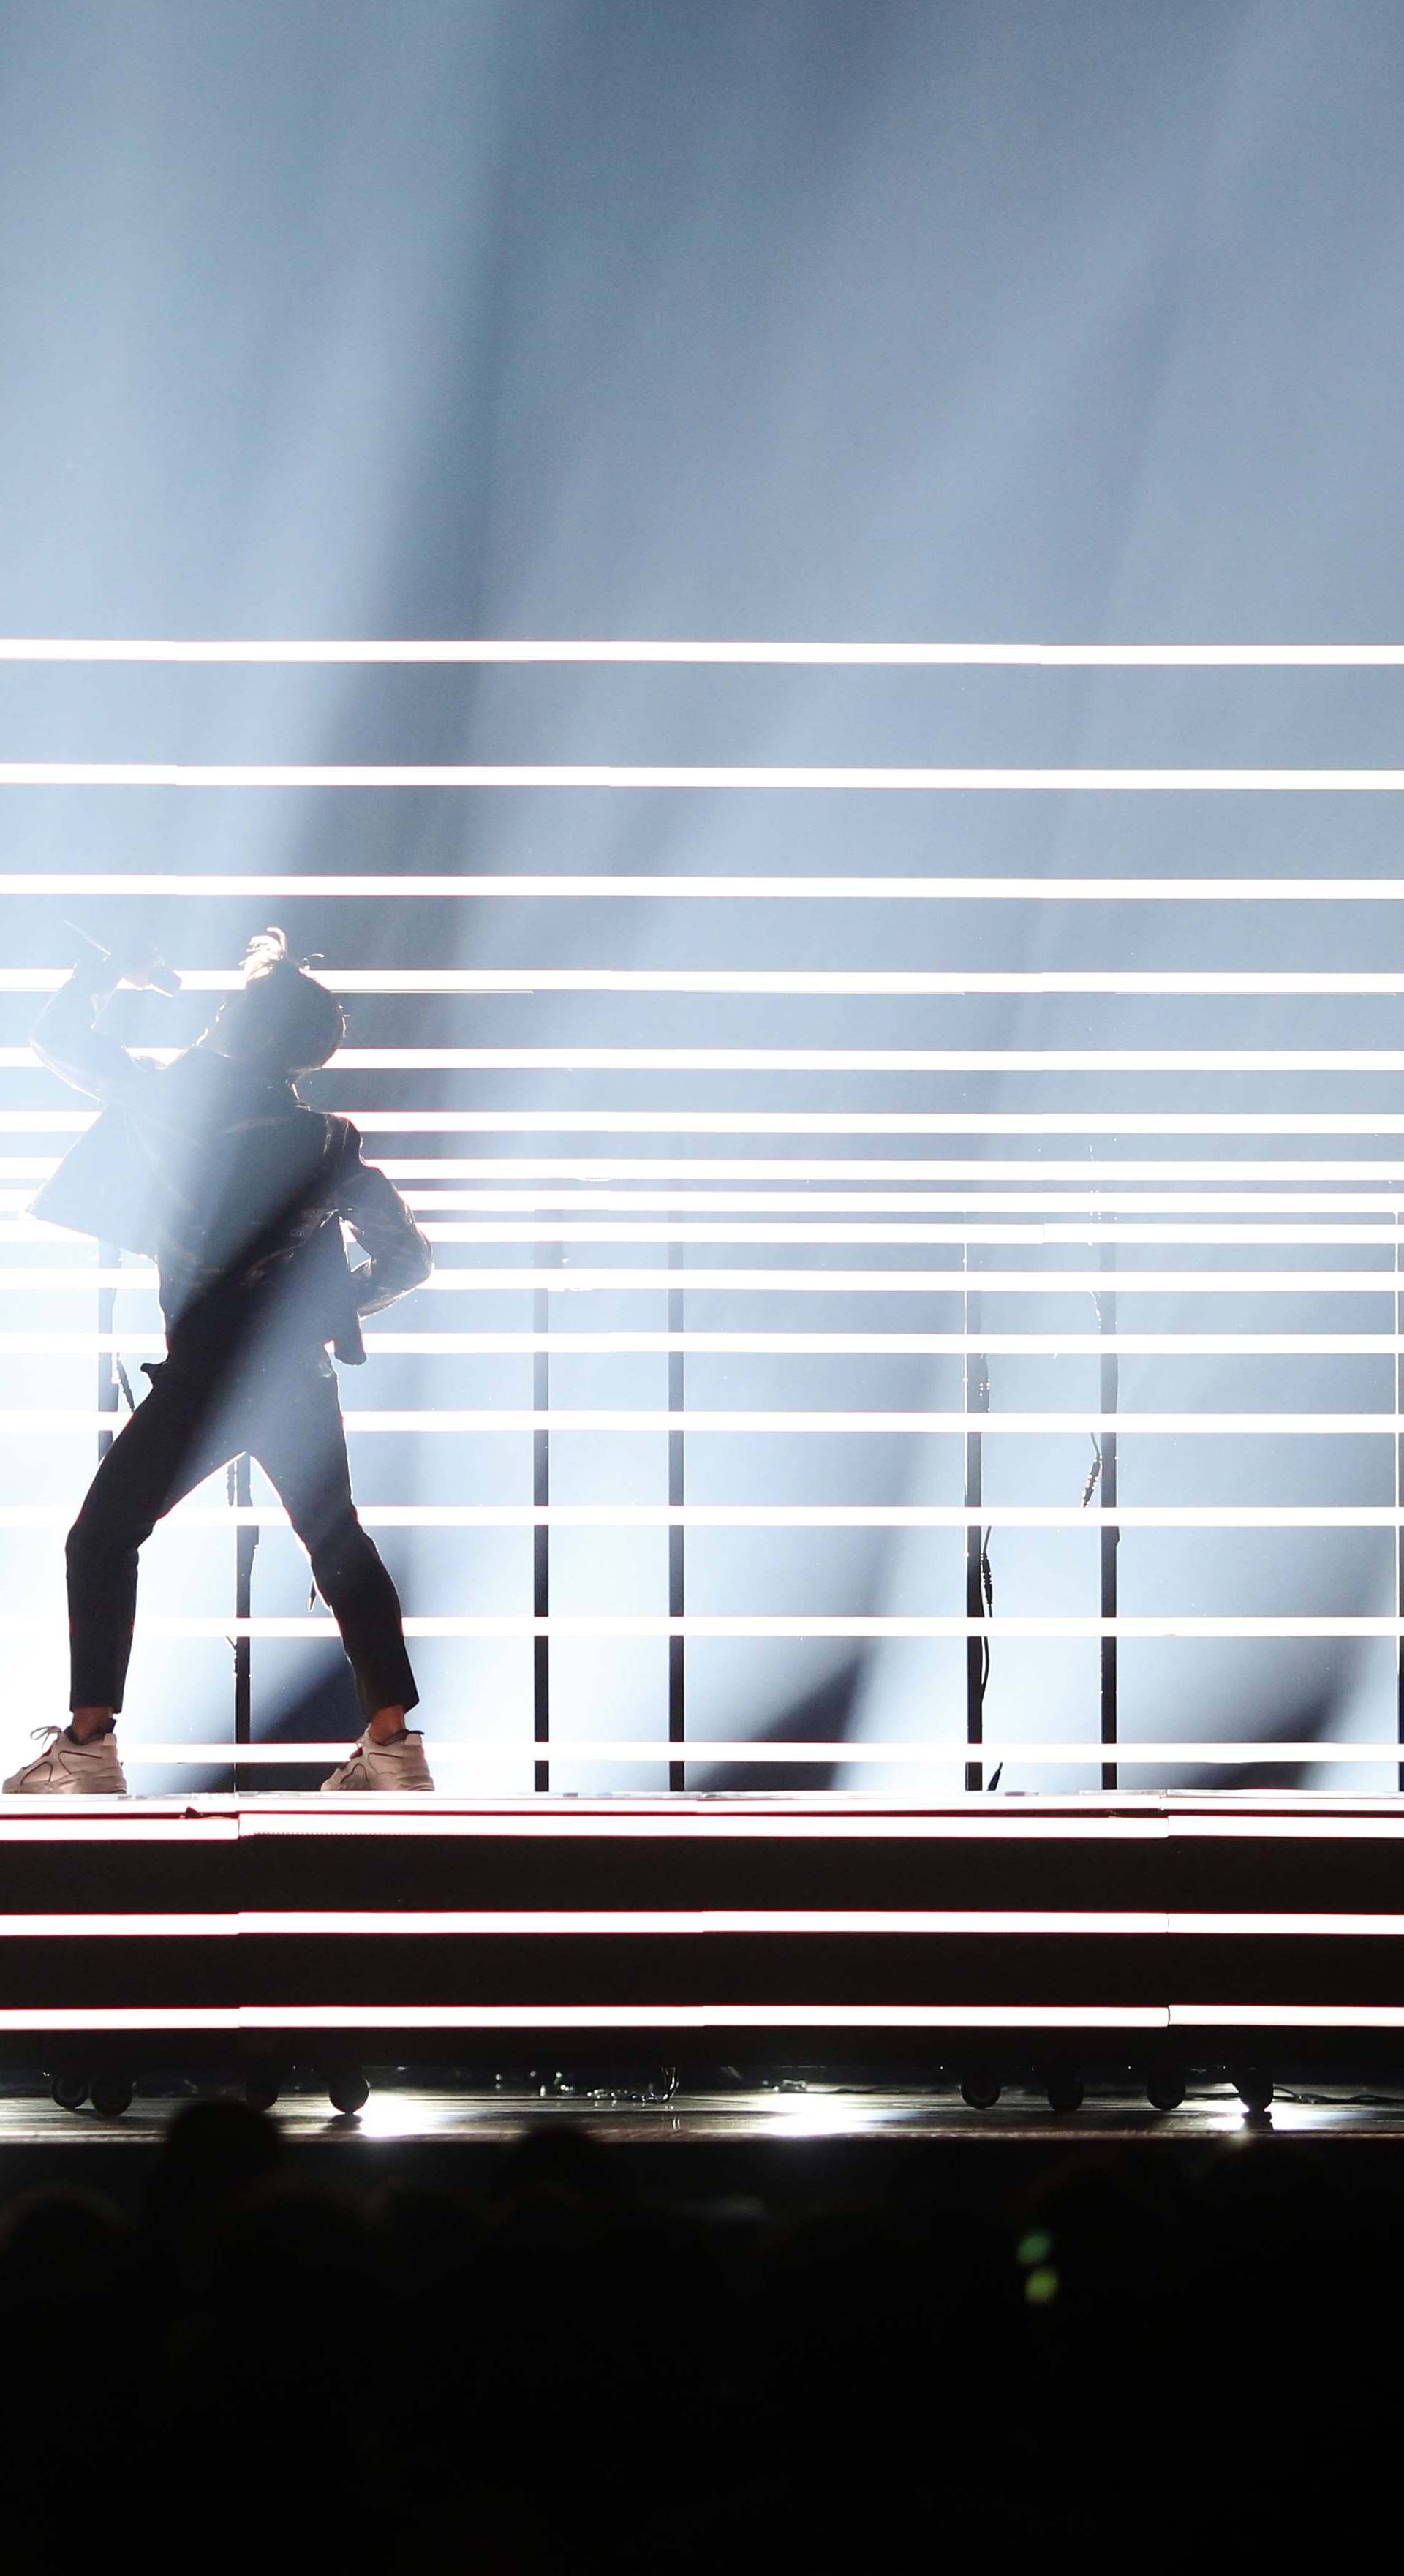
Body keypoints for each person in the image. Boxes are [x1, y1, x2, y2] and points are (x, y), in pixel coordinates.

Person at [4, 928, 435, 1795]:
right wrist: (322, 1309)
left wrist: (106, 968)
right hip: (291, 1372)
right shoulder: (329, 1138)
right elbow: (409, 1258)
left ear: (245, 1031)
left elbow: (57, 1040)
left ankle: (88, 1747)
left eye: (231, 1007)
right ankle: (395, 1748)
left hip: (209, 1371)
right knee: (336, 1540)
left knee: (102, 1537)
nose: (214, 1017)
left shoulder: (177, 1106)